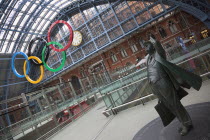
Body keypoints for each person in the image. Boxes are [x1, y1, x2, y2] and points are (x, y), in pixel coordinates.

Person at [144, 40, 202, 136]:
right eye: (145, 47)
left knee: (175, 104)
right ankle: (183, 122)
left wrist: (152, 40)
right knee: (170, 106)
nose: (145, 48)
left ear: (153, 46)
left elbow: (158, 46)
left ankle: (187, 123)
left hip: (163, 82)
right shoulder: (148, 59)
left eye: (147, 45)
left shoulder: (159, 54)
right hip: (155, 86)